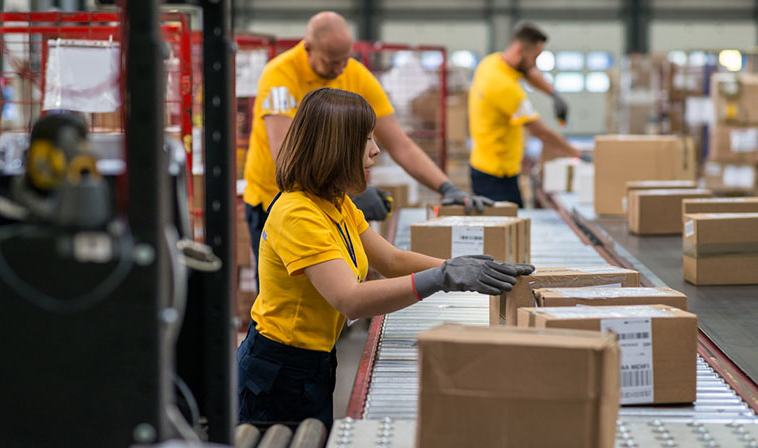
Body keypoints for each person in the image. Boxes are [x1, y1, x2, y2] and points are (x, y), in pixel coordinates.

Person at [236, 88, 534, 429]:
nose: (375, 150)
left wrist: (460, 268)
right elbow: (350, 300)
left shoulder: (335, 202)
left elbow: (389, 259)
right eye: (365, 140)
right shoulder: (297, 214)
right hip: (277, 372)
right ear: (336, 147)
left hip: (313, 361)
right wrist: (441, 280)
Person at [244, 11, 492, 287]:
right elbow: (286, 152)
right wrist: (348, 189)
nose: (340, 69)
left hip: (328, 195)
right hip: (274, 196)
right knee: (291, 286)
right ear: (308, 48)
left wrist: (447, 188)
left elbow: (399, 143)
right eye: (331, 62)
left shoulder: (354, 74)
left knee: (333, 284)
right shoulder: (280, 76)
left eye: (344, 60)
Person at [468, 22, 586, 208]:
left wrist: (554, 94)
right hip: (496, 176)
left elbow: (529, 73)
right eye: (535, 57)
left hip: (486, 166)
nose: (535, 64)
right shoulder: (505, 88)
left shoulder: (492, 62)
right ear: (519, 50)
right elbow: (541, 132)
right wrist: (578, 154)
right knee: (508, 229)